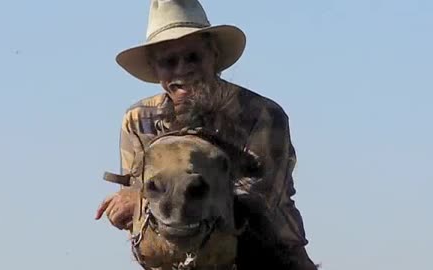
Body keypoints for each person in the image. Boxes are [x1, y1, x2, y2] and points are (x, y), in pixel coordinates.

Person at [95, 1, 317, 269]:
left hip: (267, 256)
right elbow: (139, 207)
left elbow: (257, 199)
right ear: (155, 69)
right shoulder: (138, 120)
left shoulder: (263, 115)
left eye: (192, 57)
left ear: (214, 56)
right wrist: (126, 206)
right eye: (169, 61)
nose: (182, 69)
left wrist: (140, 199)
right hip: (171, 259)